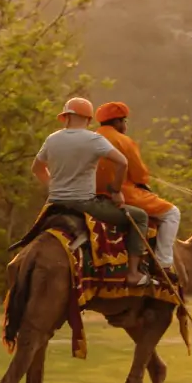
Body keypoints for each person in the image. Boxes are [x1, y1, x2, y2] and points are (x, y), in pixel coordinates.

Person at [32, 96, 150, 286]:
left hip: (54, 203)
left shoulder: (52, 139)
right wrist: (116, 191)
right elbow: (122, 163)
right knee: (140, 217)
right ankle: (134, 273)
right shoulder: (93, 139)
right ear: (88, 119)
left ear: (66, 117)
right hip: (85, 203)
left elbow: (37, 169)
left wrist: (53, 187)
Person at [93, 102, 181, 276]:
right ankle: (163, 263)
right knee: (172, 213)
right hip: (123, 194)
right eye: (124, 121)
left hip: (93, 196)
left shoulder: (90, 138)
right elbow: (140, 176)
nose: (125, 126)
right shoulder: (124, 141)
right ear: (117, 122)